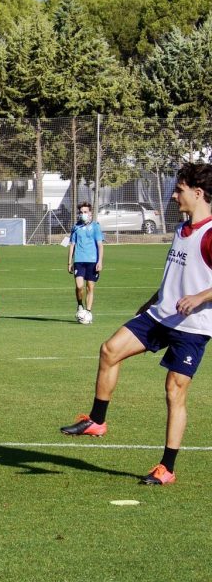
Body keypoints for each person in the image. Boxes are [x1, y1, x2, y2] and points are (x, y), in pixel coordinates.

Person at [60, 163, 212, 485]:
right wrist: (154, 299)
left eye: (179, 190)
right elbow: (179, 274)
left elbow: (199, 284)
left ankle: (166, 468)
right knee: (109, 349)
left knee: (174, 391)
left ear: (198, 194)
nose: (173, 195)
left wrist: (200, 297)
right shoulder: (180, 230)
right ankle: (97, 421)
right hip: (160, 315)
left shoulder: (210, 234)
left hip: (193, 326)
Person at [68, 202, 104, 323]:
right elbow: (72, 245)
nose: (83, 214)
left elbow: (100, 245)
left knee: (90, 287)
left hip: (92, 261)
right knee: (79, 287)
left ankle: (88, 312)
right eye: (81, 212)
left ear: (90, 213)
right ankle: (80, 305)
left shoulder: (95, 227)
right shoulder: (76, 227)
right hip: (79, 260)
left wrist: (100, 261)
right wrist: (69, 262)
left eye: (85, 212)